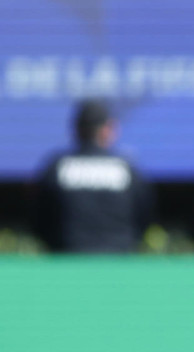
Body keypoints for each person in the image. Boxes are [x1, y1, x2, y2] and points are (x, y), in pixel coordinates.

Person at [33, 100, 153, 253]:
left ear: (76, 129)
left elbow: (38, 221)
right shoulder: (128, 168)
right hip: (119, 260)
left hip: (68, 259)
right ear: (107, 129)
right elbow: (146, 218)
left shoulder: (55, 167)